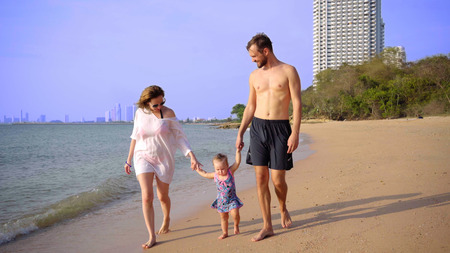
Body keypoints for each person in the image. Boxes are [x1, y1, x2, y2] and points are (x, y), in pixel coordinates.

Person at [235, 33, 302, 242]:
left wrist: (295, 133)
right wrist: (240, 132)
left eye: (254, 56)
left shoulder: (289, 71)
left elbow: (297, 104)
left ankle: (282, 207)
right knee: (260, 178)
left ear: (265, 51)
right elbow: (250, 106)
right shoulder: (254, 76)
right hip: (258, 127)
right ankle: (267, 226)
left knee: (278, 180)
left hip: (281, 128)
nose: (253, 60)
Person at [124, 85, 202, 249]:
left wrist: (191, 156)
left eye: (162, 103)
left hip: (164, 159)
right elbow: (134, 136)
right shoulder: (140, 113)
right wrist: (128, 159)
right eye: (155, 105)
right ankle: (152, 236)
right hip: (142, 156)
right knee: (147, 196)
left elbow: (180, 137)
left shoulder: (168, 113)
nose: (159, 107)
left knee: (162, 196)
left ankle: (166, 218)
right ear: (146, 103)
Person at [195, 149, 243, 240]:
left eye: (222, 169)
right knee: (223, 217)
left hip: (232, 199)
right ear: (214, 168)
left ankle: (236, 225)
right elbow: (205, 174)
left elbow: (237, 162)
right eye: (217, 169)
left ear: (227, 166)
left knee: (235, 214)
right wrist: (197, 169)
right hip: (221, 201)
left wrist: (237, 151)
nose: (220, 171)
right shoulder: (215, 175)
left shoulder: (230, 172)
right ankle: (225, 233)